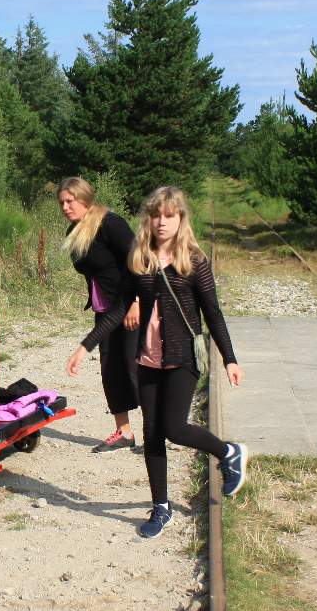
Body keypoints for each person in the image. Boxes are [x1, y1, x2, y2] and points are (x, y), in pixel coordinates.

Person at [66, 186, 248, 539]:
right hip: (148, 359)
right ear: (148, 219)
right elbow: (119, 307)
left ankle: (229, 452)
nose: (162, 222)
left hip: (182, 359)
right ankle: (160, 507)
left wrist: (230, 358)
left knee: (173, 428)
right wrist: (85, 347)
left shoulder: (194, 261)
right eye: (156, 215)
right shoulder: (141, 260)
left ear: (181, 219)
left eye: (170, 215)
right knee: (151, 435)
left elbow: (213, 312)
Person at [58, 177, 142, 452]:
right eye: (62, 202)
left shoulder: (110, 224)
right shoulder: (76, 230)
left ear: (85, 199)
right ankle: (124, 432)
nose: (65, 207)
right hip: (106, 309)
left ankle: (156, 431)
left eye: (70, 201)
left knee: (134, 369)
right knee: (110, 370)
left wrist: (138, 301)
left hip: (130, 307)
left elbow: (139, 258)